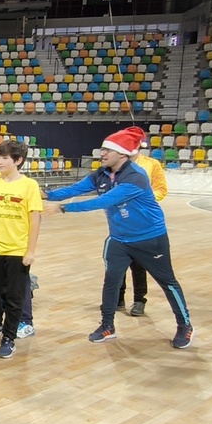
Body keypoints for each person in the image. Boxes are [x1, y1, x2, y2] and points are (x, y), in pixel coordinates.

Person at [43, 127, 193, 349]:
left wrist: (63, 209)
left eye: (107, 150)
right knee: (111, 282)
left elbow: (102, 202)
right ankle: (107, 325)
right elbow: (77, 188)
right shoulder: (101, 173)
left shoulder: (136, 178)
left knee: (167, 283)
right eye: (102, 149)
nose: (101, 154)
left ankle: (185, 325)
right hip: (119, 239)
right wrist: (46, 194)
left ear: (122, 154)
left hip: (150, 239)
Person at [0, 140, 42, 359]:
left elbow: (35, 220)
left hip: (18, 250)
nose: (0, 162)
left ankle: (9, 337)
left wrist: (30, 251)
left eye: (4, 158)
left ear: (18, 160)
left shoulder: (29, 186)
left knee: (14, 296)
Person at [117, 126, 169, 317]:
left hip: (142, 222)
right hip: (120, 221)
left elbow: (161, 189)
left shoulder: (151, 164)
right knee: (117, 263)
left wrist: (143, 198)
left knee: (139, 264)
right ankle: (118, 298)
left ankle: (139, 300)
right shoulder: (115, 165)